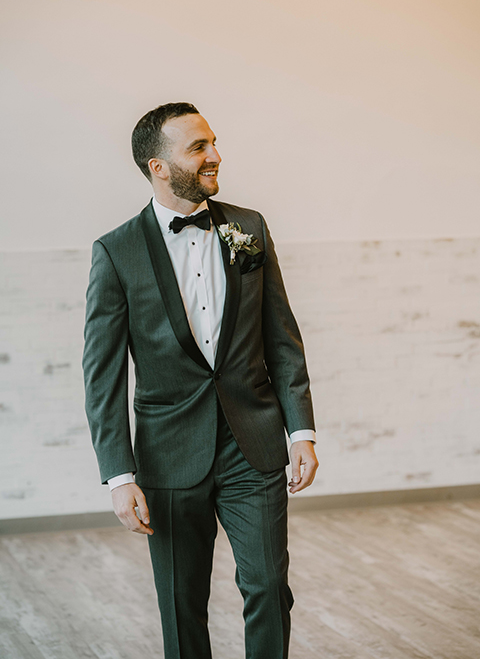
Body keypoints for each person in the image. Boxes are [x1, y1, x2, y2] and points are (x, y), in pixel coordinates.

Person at [82, 102, 318, 659]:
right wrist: (118, 475)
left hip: (253, 446)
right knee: (181, 603)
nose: (214, 155)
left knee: (267, 588)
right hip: (167, 457)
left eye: (212, 141)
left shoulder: (248, 227)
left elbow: (281, 335)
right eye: (197, 147)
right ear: (157, 167)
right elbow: (103, 375)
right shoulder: (116, 252)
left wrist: (301, 429)